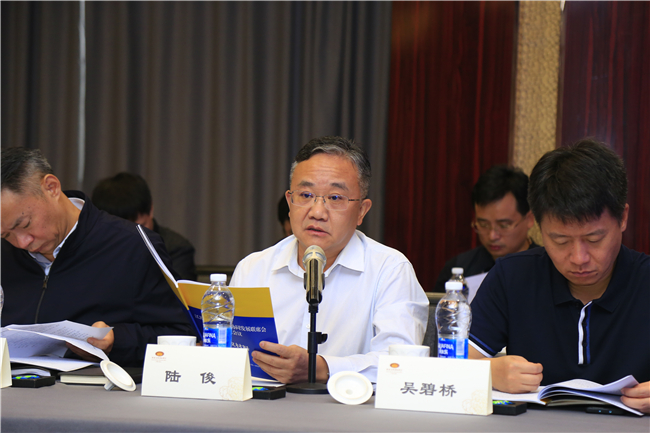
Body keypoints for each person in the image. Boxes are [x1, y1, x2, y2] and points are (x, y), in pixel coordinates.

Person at [468, 139, 650, 414]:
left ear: (622, 218)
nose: (579, 258)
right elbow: (449, 367)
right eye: (560, 241)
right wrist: (488, 372)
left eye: (594, 239)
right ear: (538, 225)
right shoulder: (512, 276)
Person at [230, 136, 429, 384]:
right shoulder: (253, 268)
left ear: (362, 211)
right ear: (290, 202)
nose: (317, 212)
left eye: (335, 198)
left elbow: (401, 364)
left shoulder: (390, 270)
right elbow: (229, 354)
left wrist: (323, 368)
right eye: (305, 195)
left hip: (349, 407)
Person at [1, 148, 193, 367]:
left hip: (96, 387)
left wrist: (117, 341)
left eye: (25, 224)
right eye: (6, 235)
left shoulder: (132, 247)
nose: (22, 243)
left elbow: (182, 333)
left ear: (51, 187)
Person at [434, 165, 538, 293]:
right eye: (483, 225)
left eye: (504, 225)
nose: (492, 236)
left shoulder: (548, 268)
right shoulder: (459, 269)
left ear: (530, 219)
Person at [92, 172, 197, 280]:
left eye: (140, 227)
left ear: (151, 209)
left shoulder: (175, 249)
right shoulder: (92, 247)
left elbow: (178, 290)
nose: (131, 237)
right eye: (120, 231)